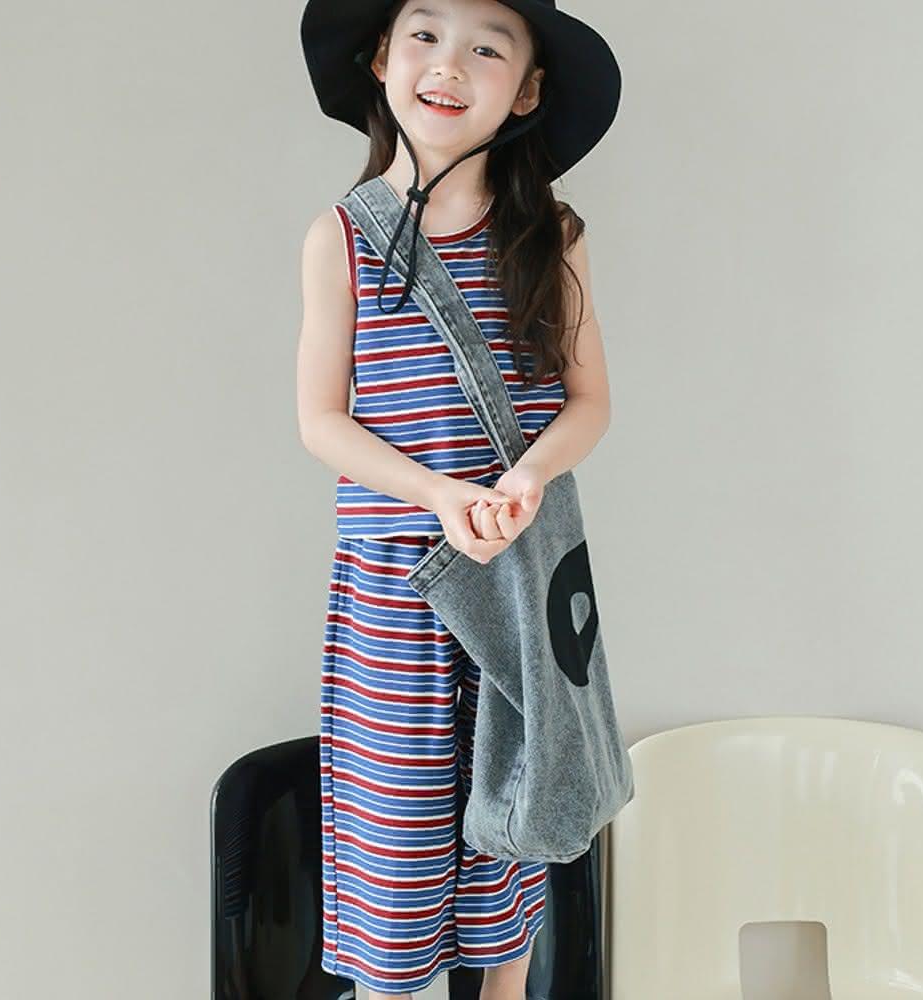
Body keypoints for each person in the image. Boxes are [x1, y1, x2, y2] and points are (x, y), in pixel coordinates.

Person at [296, 1, 621, 996]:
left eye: (487, 48)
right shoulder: (341, 237)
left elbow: (589, 402)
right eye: (426, 36)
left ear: (525, 92)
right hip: (395, 590)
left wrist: (525, 477)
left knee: (511, 835)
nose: (449, 66)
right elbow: (321, 420)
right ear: (380, 59)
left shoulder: (549, 234)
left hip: (518, 582)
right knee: (391, 852)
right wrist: (439, 495)